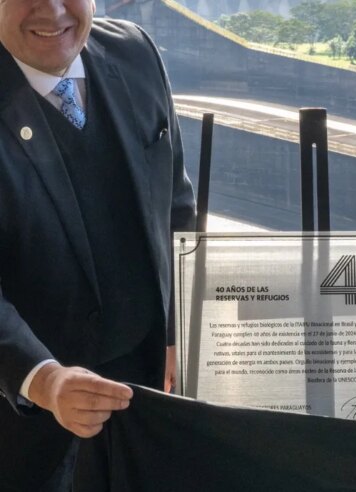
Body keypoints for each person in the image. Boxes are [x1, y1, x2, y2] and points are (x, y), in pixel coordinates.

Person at [0, 0, 195, 490]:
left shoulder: (136, 53)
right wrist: (43, 378)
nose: (52, 10)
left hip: (147, 401)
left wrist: (182, 327)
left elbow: (175, 200)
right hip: (25, 423)